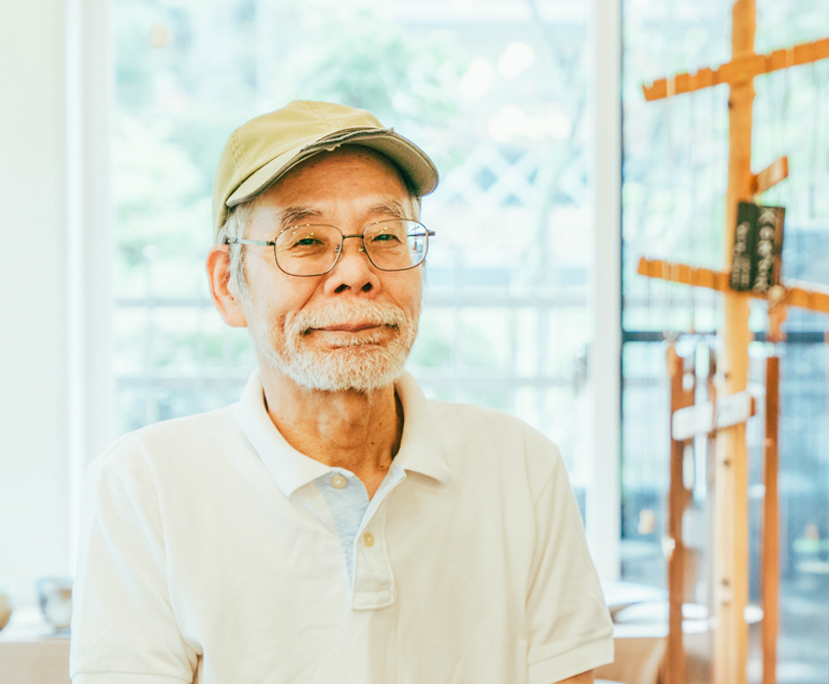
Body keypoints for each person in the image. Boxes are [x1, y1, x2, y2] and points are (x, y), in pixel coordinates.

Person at [70, 100, 613, 684]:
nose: (356, 272)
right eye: (306, 241)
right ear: (229, 285)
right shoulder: (144, 485)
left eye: (385, 235)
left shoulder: (521, 466)